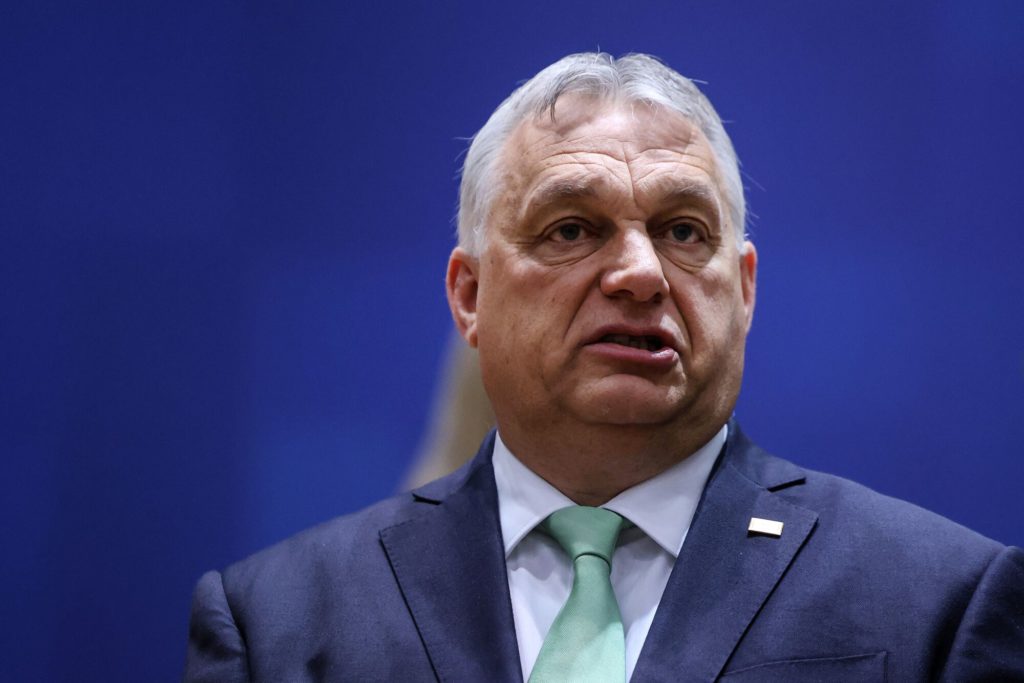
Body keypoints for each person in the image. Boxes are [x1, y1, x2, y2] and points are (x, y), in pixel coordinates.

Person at [183, 53, 1024, 682]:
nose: (640, 273)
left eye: (683, 231)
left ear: (744, 289)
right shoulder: (277, 625)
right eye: (572, 229)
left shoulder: (937, 604)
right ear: (469, 296)